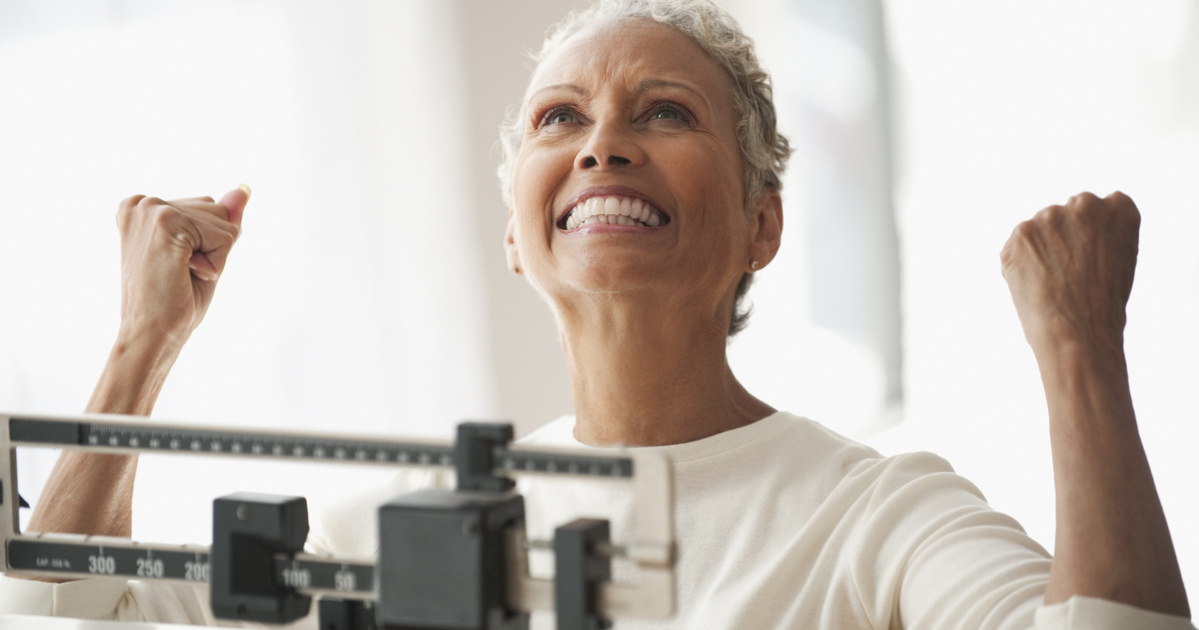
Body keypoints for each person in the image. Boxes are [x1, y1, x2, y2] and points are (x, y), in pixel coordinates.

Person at [0, 0, 1192, 628]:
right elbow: (63, 608)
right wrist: (141, 345)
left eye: (662, 112)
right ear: (516, 238)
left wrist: (1079, 352)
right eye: (560, 118)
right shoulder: (406, 534)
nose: (602, 142)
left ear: (761, 225)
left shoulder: (875, 516)